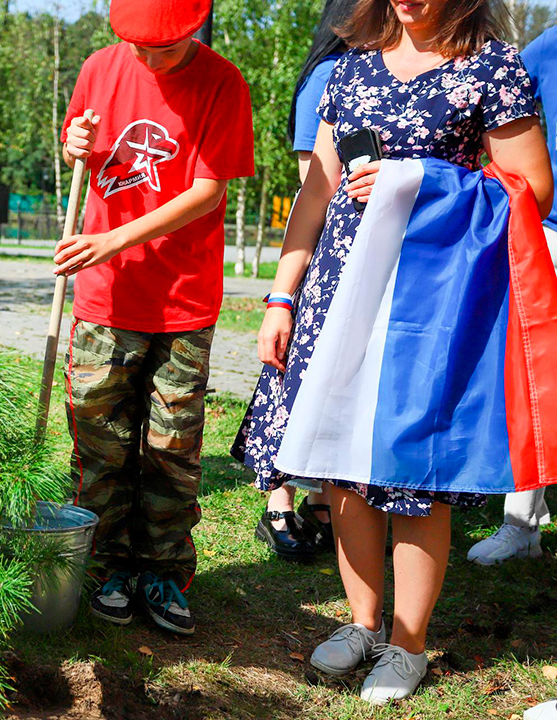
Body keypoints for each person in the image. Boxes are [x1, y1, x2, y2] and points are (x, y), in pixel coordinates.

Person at [232, 0, 552, 704]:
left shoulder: (492, 68)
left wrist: (423, 179)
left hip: (426, 302)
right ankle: (362, 623)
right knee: (339, 465)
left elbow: (532, 188)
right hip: (339, 288)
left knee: (414, 472)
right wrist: (283, 296)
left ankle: (407, 645)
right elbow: (315, 192)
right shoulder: (348, 70)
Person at [58, 0, 254, 636]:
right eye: (135, 45)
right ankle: (106, 565)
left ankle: (164, 571)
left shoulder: (222, 83)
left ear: (194, 27)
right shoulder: (97, 68)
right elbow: (81, 151)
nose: (145, 58)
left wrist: (115, 240)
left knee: (171, 448)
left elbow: (207, 191)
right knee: (101, 443)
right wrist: (73, 146)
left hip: (181, 301)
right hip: (105, 299)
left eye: (162, 49)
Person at [256, 0, 358, 563]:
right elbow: (311, 184)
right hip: (325, 255)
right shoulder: (328, 75)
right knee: (292, 379)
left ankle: (323, 503)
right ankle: (278, 502)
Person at [467, 25, 557, 568]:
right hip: (551, 232)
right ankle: (522, 523)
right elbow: (489, 116)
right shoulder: (546, 47)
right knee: (534, 376)